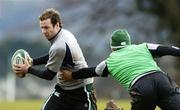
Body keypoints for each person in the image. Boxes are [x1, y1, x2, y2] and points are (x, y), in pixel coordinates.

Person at [60, 29, 180, 110]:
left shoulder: (109, 62)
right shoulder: (143, 47)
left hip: (141, 87)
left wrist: (71, 75)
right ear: (128, 43)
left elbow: (90, 71)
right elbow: (170, 49)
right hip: (162, 80)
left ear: (112, 47)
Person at [12, 8, 97, 110]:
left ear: (57, 25)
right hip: (63, 90)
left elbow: (48, 75)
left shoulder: (58, 46)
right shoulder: (65, 33)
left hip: (81, 91)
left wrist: (28, 69)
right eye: (42, 28)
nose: (43, 31)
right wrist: (32, 62)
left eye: (47, 27)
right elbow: (53, 56)